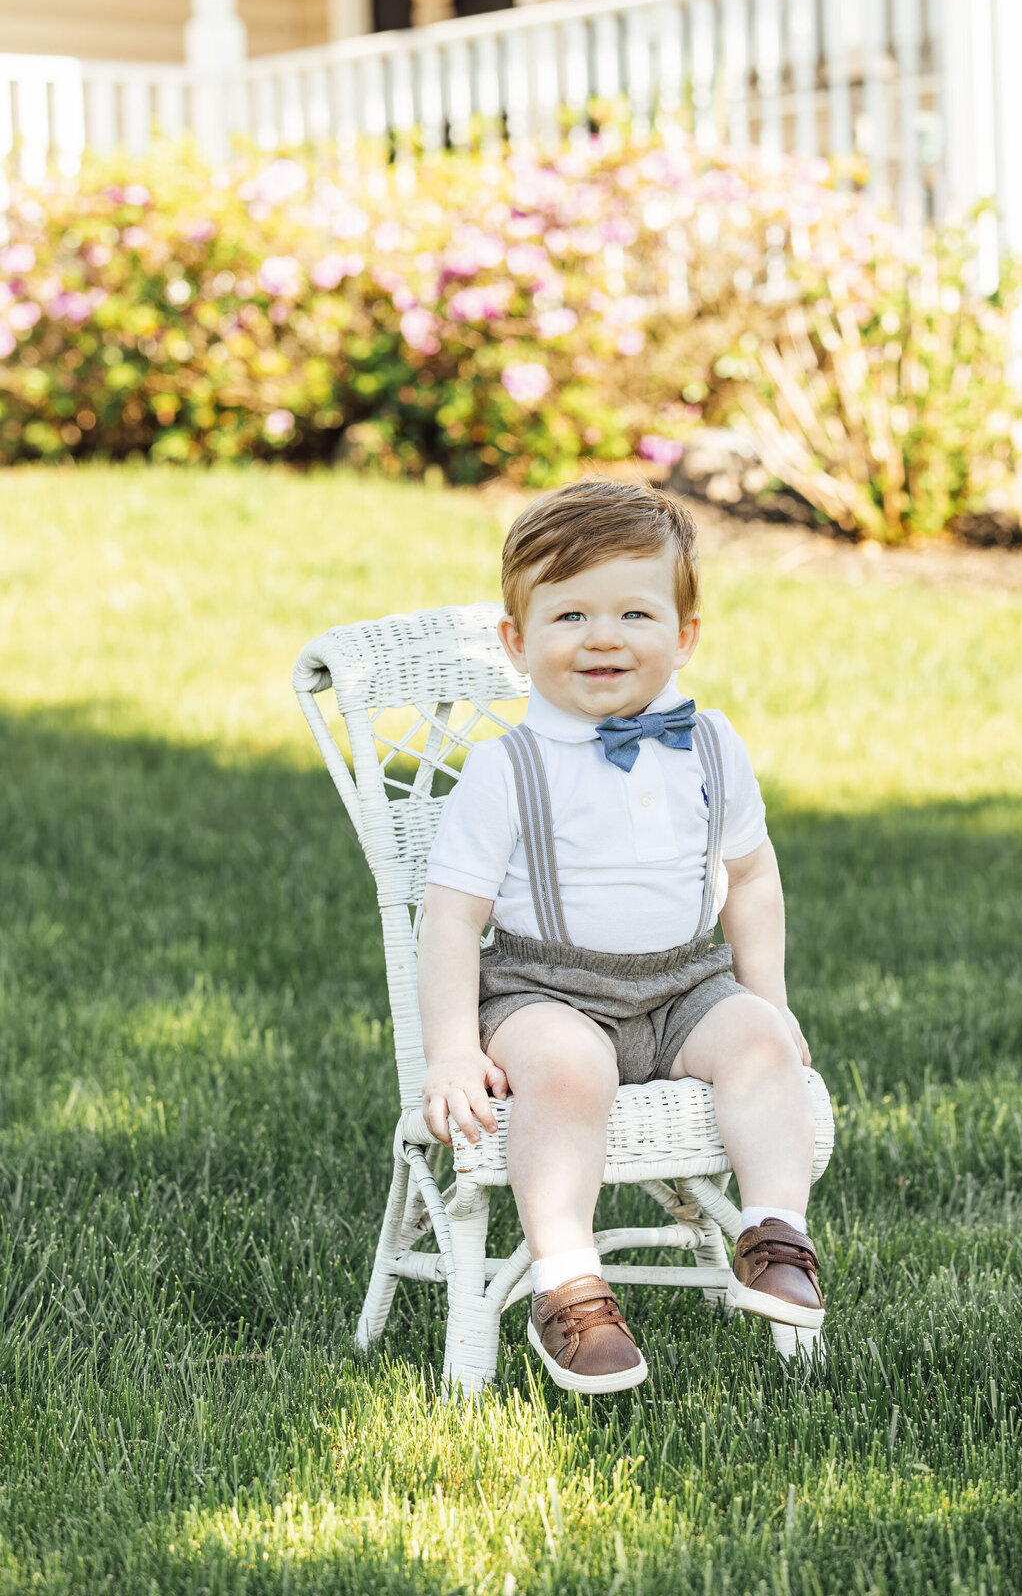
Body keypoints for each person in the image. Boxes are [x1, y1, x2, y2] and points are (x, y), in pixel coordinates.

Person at [418, 478, 821, 1393]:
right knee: (568, 1070)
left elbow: (752, 877)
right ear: (517, 643)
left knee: (761, 1041)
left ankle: (774, 1236)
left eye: (635, 613)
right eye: (570, 616)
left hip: (684, 984)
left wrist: (768, 999)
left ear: (685, 635)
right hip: (545, 991)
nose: (603, 638)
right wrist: (450, 1048)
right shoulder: (508, 768)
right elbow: (452, 916)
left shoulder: (711, 744)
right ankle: (568, 1284)